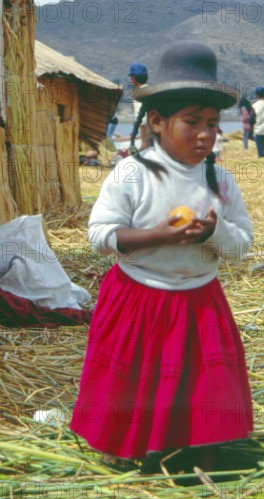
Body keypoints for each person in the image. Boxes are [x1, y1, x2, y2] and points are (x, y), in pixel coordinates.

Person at [70, 40, 254, 471]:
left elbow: (241, 246)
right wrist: (157, 235)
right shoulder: (132, 173)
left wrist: (214, 232)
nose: (206, 133)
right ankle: (122, 444)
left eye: (212, 123)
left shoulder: (220, 180)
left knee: (201, 383)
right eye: (192, 122)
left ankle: (194, 447)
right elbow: (99, 234)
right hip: (136, 296)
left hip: (198, 298)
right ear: (156, 120)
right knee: (128, 381)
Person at [128, 62, 149, 150]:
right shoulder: (151, 90)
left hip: (148, 140)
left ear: (133, 78)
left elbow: (143, 122)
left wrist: (144, 144)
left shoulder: (139, 94)